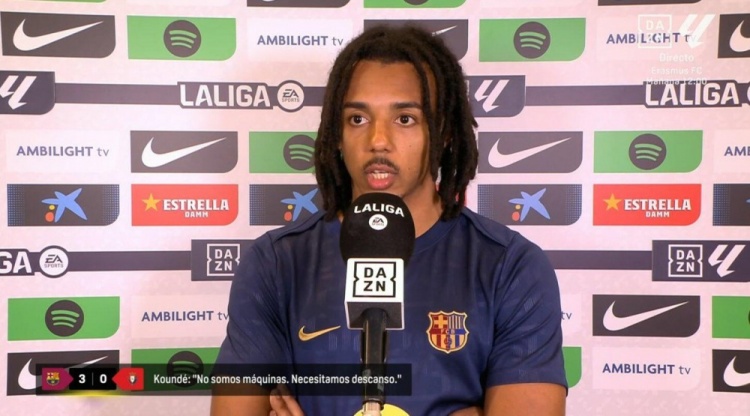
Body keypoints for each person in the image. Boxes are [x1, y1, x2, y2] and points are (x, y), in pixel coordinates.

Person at [211, 25, 567, 416]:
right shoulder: (276, 264)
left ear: (445, 132)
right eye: (357, 119)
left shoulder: (509, 266)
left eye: (405, 119)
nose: (378, 141)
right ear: (336, 134)